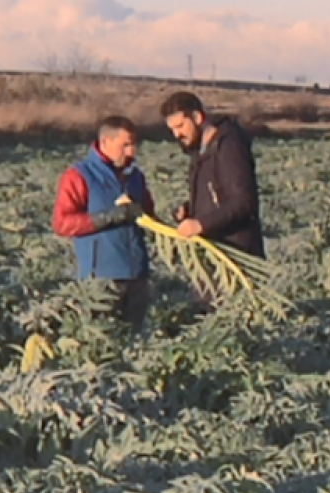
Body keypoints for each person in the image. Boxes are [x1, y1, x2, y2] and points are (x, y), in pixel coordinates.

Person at [159, 91, 264, 307]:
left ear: (197, 117)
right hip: (212, 254)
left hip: (234, 256)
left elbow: (244, 202)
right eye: (172, 130)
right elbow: (217, 194)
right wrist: (191, 209)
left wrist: (201, 223)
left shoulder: (228, 146)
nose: (176, 135)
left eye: (180, 126)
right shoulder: (200, 150)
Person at [51, 116, 156, 328]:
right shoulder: (78, 175)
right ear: (105, 142)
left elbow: (149, 215)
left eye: (134, 144)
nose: (132, 152)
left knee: (136, 339)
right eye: (125, 145)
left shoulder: (135, 176)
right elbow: (62, 223)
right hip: (101, 278)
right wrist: (109, 217)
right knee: (102, 339)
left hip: (137, 275)